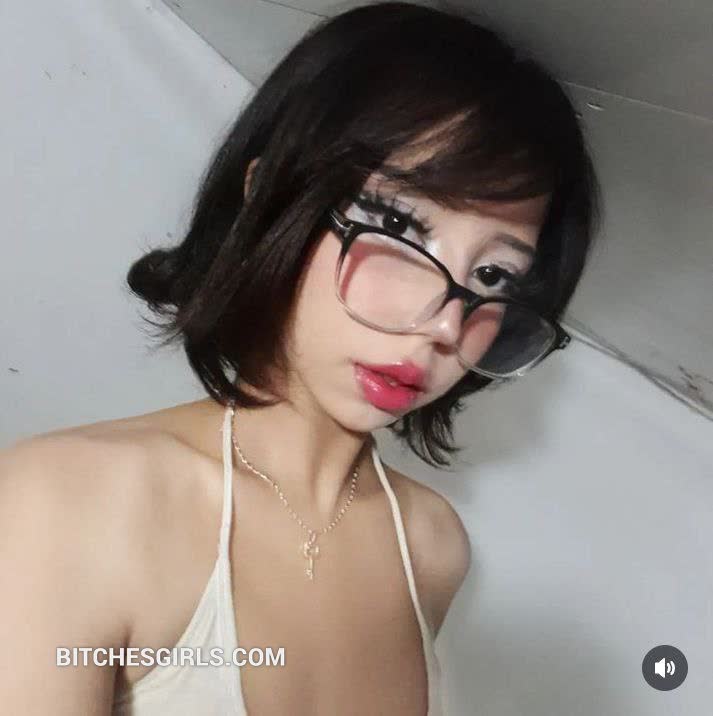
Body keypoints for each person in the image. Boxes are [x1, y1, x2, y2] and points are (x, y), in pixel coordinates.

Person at [0, 2, 601, 713]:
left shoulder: (433, 547)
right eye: (397, 224)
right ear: (269, 194)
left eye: (494, 275)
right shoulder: (65, 502)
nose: (445, 323)